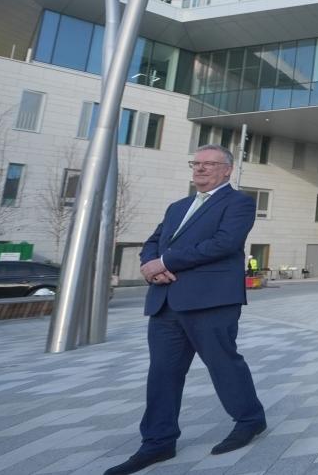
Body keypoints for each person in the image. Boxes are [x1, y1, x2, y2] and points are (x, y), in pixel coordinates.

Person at [105, 144, 267, 475]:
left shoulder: (239, 203)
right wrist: (149, 264)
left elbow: (224, 243)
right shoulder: (177, 206)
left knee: (223, 364)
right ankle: (158, 442)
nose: (200, 168)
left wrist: (165, 262)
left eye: (209, 164)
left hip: (210, 300)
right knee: (162, 373)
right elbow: (154, 241)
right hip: (166, 302)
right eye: (196, 163)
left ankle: (250, 419)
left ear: (227, 170)